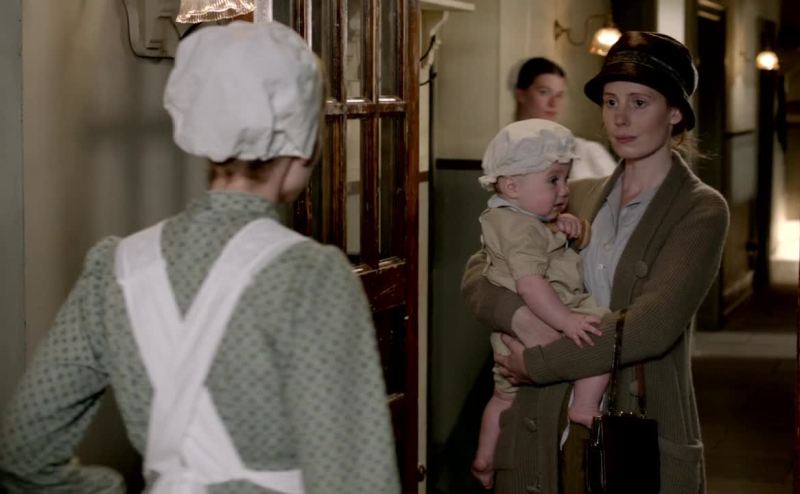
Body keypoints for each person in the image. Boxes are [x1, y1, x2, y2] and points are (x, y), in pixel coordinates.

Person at [0, 21, 400, 494]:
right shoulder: (313, 277)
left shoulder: (116, 271)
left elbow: (23, 455)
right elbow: (359, 481)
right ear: (306, 145)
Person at [462, 32, 729, 493]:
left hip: (634, 427)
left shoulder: (700, 209)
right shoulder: (577, 195)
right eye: (610, 102)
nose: (620, 118)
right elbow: (480, 272)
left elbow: (651, 325)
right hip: (542, 425)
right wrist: (522, 318)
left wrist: (538, 362)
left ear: (675, 112)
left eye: (639, 102)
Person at [470, 119, 609, 490]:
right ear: (512, 185)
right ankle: (584, 405)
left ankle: (484, 458)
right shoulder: (522, 230)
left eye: (565, 179)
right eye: (553, 180)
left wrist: (570, 228)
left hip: (508, 335)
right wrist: (567, 321)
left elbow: (549, 247)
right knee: (601, 333)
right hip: (546, 316)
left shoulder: (515, 217)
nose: (564, 190)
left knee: (502, 396)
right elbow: (531, 285)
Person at [514, 57, 618, 180]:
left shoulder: (587, 151)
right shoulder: (506, 154)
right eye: (544, 92)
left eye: (559, 95)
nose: (553, 103)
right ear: (521, 94)